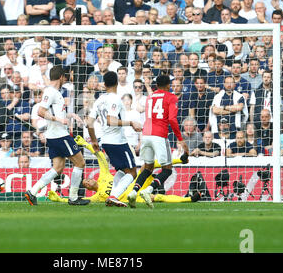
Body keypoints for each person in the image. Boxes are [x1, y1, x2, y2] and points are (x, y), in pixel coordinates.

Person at [48, 135, 200, 204]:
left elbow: (101, 158)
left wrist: (86, 145)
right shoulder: (98, 197)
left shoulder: (104, 177)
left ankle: (179, 160)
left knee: (148, 166)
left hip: (136, 183)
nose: (87, 181)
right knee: (157, 198)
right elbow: (81, 200)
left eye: (87, 179)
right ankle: (189, 198)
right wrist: (59, 199)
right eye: (86, 183)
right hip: (133, 196)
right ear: (88, 188)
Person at [24, 66, 88, 206]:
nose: (67, 79)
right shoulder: (50, 92)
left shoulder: (54, 92)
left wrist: (69, 116)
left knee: (58, 168)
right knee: (80, 163)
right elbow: (41, 111)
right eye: (66, 77)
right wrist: (59, 120)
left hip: (54, 135)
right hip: (60, 135)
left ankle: (33, 191)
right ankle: (73, 197)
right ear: (61, 77)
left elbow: (56, 112)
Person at [127, 74, 188, 209]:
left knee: (147, 167)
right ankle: (148, 190)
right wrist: (180, 138)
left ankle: (133, 192)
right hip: (159, 135)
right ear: (168, 85)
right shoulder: (171, 97)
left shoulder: (150, 97)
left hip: (146, 135)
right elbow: (172, 119)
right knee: (167, 169)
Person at [87, 71, 142, 207]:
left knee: (122, 170)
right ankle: (114, 196)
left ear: (104, 84)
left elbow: (89, 123)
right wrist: (131, 123)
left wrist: (94, 141)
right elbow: (112, 120)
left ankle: (112, 196)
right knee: (132, 172)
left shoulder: (99, 100)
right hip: (117, 141)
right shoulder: (116, 99)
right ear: (117, 82)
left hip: (105, 141)